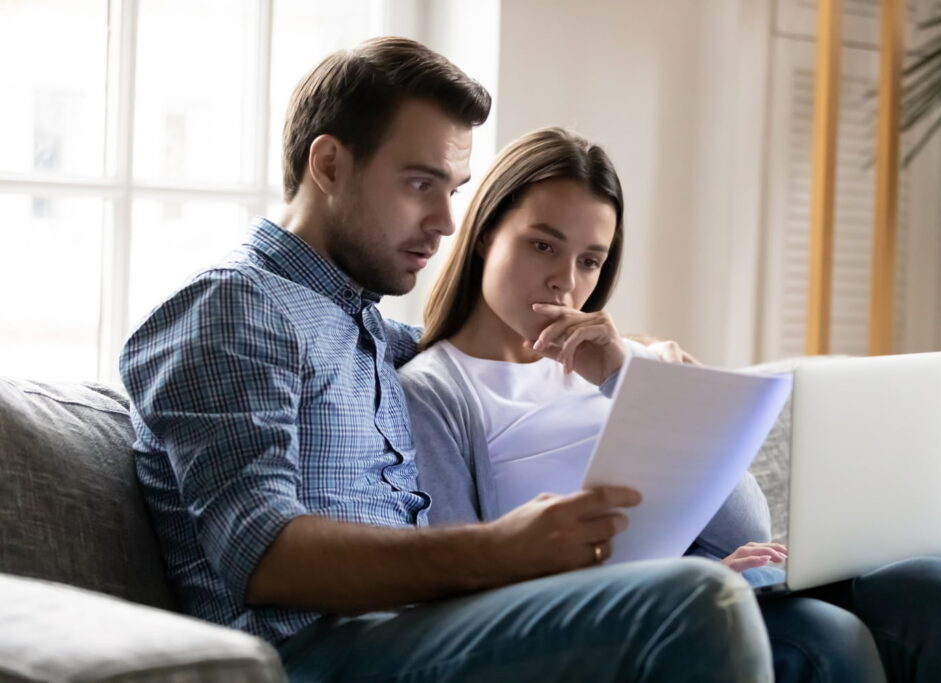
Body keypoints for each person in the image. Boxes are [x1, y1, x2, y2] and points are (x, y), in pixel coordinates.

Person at [119, 38, 774, 681]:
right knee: (695, 599)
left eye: (454, 189)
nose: (446, 220)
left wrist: (639, 367)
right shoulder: (233, 306)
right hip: (307, 656)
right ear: (328, 165)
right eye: (419, 184)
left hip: (406, 633)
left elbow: (487, 350)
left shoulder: (365, 327)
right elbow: (261, 554)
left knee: (812, 607)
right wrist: (504, 549)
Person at [399, 126, 941, 682]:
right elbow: (465, 591)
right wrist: (694, 586)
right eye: (542, 245)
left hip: (734, 585)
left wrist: (630, 377)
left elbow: (747, 530)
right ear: (483, 236)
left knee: (939, 583)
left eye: (590, 260)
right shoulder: (438, 391)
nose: (567, 279)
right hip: (653, 616)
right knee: (832, 637)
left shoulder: (625, 362)